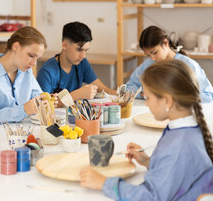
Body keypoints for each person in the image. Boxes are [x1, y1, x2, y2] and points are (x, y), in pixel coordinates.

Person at [80, 59, 213, 200]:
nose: (147, 104)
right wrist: (149, 162)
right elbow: (178, 172)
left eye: (148, 98)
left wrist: (104, 183)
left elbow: (151, 197)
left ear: (168, 101)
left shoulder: (178, 145)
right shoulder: (188, 130)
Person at [126, 25, 213, 103]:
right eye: (148, 55)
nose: (152, 58)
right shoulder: (148, 65)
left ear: (165, 43)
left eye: (155, 52)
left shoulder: (189, 65)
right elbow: (129, 87)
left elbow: (207, 96)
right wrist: (143, 94)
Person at [37, 22, 116, 102]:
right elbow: (45, 104)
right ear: (65, 45)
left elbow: (103, 89)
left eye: (86, 50)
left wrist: (122, 96)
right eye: (79, 50)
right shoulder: (47, 72)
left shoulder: (82, 63)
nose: (83, 56)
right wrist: (77, 94)